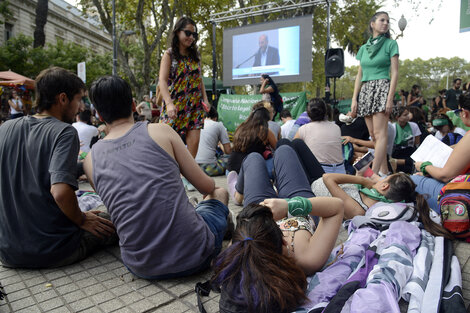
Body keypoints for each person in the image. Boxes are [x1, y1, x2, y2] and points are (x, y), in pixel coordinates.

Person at [85, 75, 229, 279]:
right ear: (134, 105)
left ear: (99, 115)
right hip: (196, 255)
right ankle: (220, 226)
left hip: (140, 266)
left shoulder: (90, 160)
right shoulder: (161, 131)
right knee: (219, 192)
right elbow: (207, 186)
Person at [0, 67, 116, 268]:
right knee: (113, 221)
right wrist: (81, 219)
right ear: (63, 99)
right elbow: (61, 192)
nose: (81, 108)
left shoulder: (6, 128)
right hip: (53, 249)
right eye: (79, 100)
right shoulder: (63, 132)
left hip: (8, 251)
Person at [213, 145, 343, 313]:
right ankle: (247, 191)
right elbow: (336, 208)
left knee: (253, 157)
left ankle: (238, 193)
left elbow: (239, 238)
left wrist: (254, 216)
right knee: (284, 149)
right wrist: (290, 206)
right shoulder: (306, 259)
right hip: (297, 204)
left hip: (258, 208)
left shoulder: (240, 255)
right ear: (283, 240)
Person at [314, 172, 452, 240]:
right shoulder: (368, 196)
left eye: (383, 178)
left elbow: (328, 178)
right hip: (318, 182)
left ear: (384, 186)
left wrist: (363, 180)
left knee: (294, 147)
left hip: (311, 190)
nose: (379, 179)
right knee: (297, 145)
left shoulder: (359, 210)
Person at [349, 11, 399, 175]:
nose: (385, 23)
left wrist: (389, 98)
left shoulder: (391, 44)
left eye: (387, 21)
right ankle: (384, 172)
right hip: (366, 90)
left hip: (382, 87)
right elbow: (359, 74)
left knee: (380, 133)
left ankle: (374, 174)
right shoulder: (363, 48)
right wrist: (354, 98)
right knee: (373, 135)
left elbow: (395, 73)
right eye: (382, 20)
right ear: (373, 24)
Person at [159, 16, 209, 158]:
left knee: (194, 144)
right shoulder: (169, 54)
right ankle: (170, 175)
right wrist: (169, 104)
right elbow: (162, 81)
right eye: (188, 33)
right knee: (167, 146)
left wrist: (205, 99)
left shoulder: (195, 56)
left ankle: (187, 177)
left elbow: (199, 79)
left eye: (194, 34)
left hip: (194, 106)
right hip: (174, 106)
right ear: (177, 32)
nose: (191, 37)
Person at [413, 92, 470, 213]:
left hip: (463, 201)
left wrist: (423, 166)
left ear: (465, 113)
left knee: (411, 181)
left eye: (458, 112)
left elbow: (445, 175)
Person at [295, 98, 345, 173]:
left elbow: (292, 149)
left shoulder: (303, 129)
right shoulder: (336, 128)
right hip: (341, 170)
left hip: (320, 173)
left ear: (308, 113)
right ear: (325, 112)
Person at [227, 105, 277, 174]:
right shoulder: (264, 130)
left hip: (230, 169)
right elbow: (277, 148)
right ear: (266, 120)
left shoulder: (241, 127)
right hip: (249, 170)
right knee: (274, 161)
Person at [195, 106, 232, 176]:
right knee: (232, 158)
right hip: (209, 168)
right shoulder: (219, 125)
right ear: (215, 118)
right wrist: (220, 144)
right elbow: (228, 151)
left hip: (194, 167)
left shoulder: (196, 125)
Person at [390, 106, 421, 173]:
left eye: (408, 114)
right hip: (396, 151)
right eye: (405, 115)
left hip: (410, 150)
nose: (408, 116)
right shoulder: (393, 127)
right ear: (397, 117)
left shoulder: (414, 126)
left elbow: (417, 143)